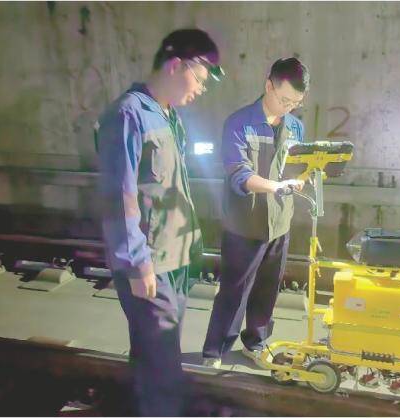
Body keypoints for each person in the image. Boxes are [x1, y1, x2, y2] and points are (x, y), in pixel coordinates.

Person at [96, 28, 223, 416]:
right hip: (151, 263)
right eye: (199, 79)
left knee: (154, 357)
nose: (201, 89)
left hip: (176, 259)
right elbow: (119, 196)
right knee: (163, 367)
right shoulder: (128, 114)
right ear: (175, 66)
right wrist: (137, 263)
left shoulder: (168, 115)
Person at [202, 58, 309, 368]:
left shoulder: (296, 127)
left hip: (279, 224)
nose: (288, 107)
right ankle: (214, 351)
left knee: (267, 290)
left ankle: (256, 343)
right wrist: (276, 186)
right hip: (244, 225)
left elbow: (298, 169)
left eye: (295, 103)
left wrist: (303, 178)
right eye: (284, 99)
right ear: (268, 85)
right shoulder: (239, 123)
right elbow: (239, 173)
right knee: (234, 291)